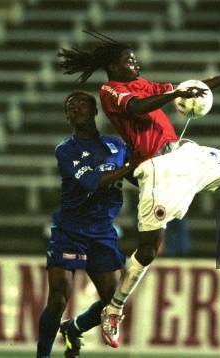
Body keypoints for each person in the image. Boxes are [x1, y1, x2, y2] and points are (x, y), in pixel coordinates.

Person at [58, 31, 220, 348]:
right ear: (114, 66)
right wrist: (173, 96)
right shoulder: (110, 90)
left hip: (185, 152)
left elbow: (184, 89)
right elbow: (137, 109)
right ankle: (113, 309)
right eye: (129, 59)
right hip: (158, 169)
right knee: (149, 249)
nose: (136, 62)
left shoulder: (143, 83)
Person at [36, 91, 135, 358]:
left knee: (113, 302)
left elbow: (138, 177)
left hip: (102, 232)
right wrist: (131, 166)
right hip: (70, 231)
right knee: (58, 298)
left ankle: (74, 328)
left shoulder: (117, 146)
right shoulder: (66, 150)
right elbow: (91, 182)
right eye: (71, 107)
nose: (76, 109)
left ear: (94, 112)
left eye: (82, 105)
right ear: (67, 116)